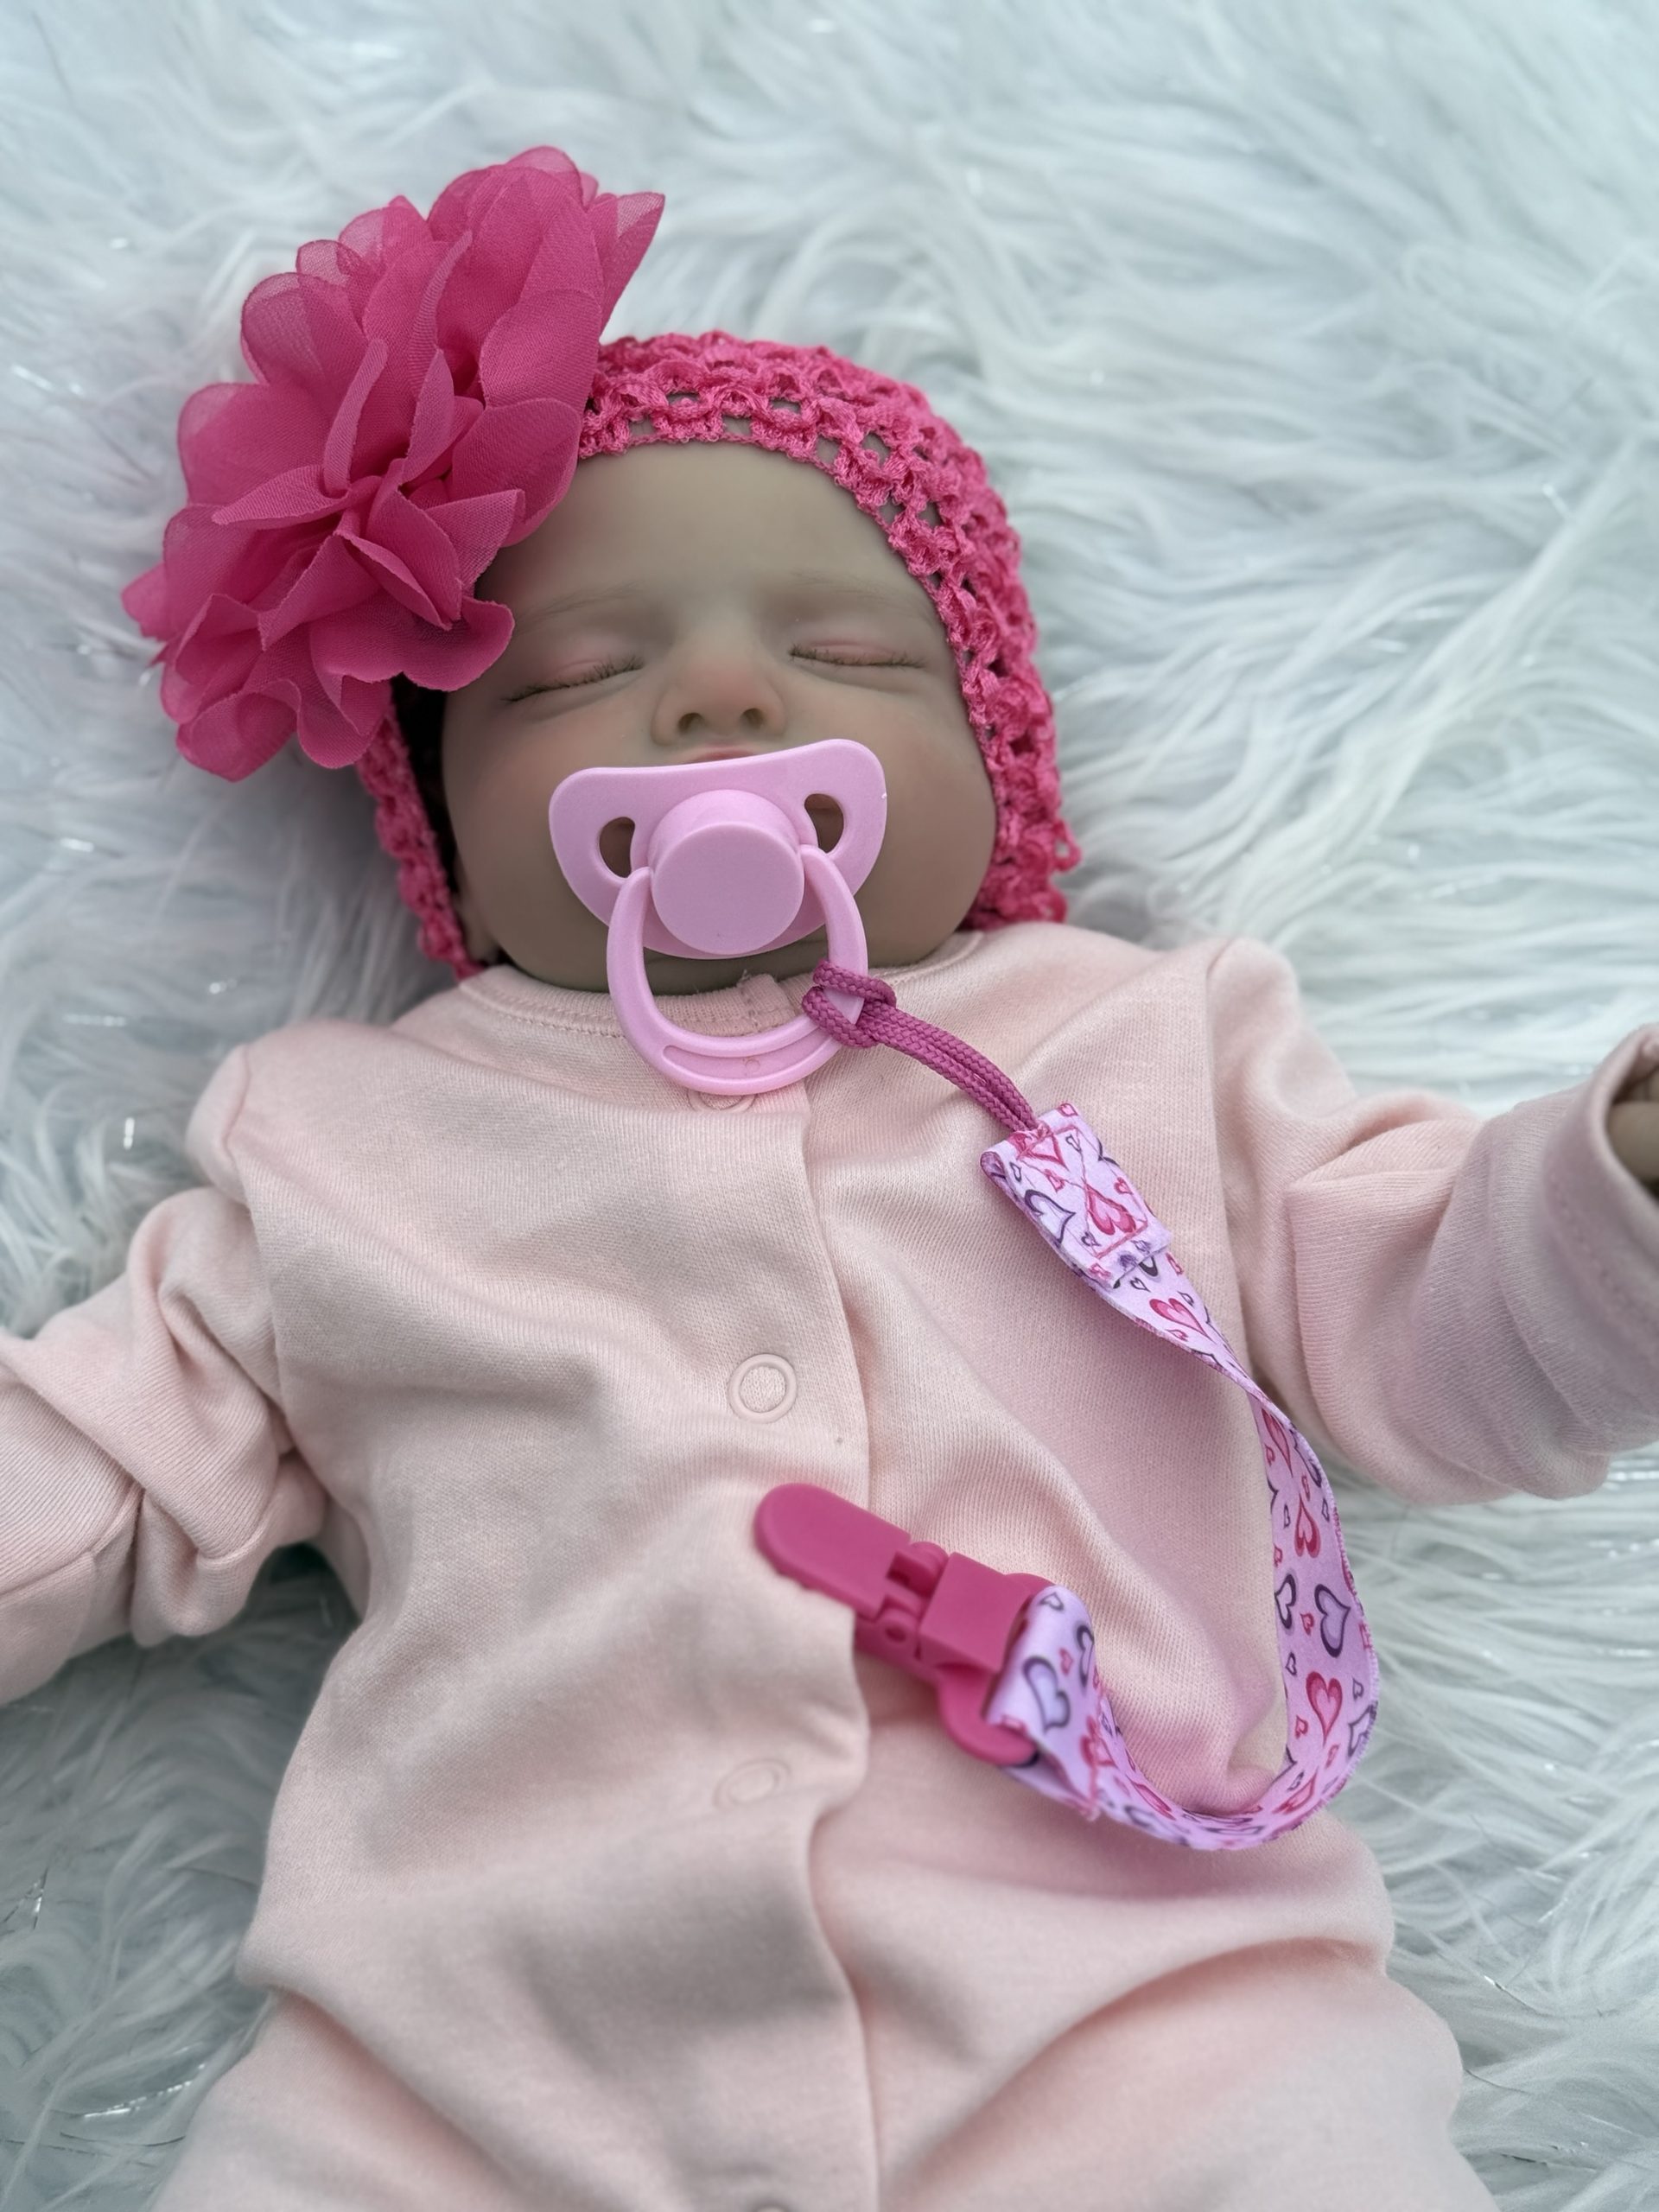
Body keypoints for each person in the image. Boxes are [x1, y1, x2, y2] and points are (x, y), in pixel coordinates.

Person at [3, 144, 1657, 2211]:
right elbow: (97, 1452)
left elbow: (1443, 1315)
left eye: (851, 654)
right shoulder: (342, 1143)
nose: (718, 693)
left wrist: (1611, 1186)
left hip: (1153, 2029)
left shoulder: (1148, 1044)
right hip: (479, 2069)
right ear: (449, 833)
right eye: (574, 674)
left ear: (991, 748)